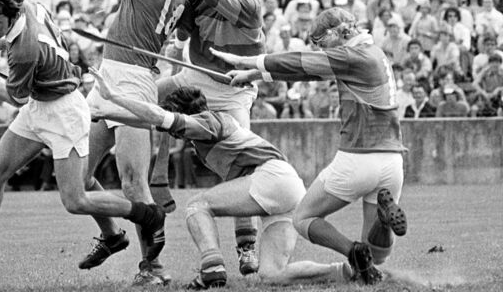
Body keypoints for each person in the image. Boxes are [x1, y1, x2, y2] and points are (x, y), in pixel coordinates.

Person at [0, 0, 165, 270]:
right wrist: (0, 42)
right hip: (41, 104)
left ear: (10, 15)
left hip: (63, 113)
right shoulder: (30, 5)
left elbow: (14, 96)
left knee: (75, 200)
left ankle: (148, 214)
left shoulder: (24, 52)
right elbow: (35, 49)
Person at [18, 0, 202, 283]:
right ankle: (112, 235)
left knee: (134, 182)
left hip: (130, 83)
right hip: (110, 79)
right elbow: (182, 29)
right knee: (80, 176)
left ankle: (153, 269)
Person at [90, 69, 353, 289]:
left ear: (184, 114)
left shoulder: (208, 122)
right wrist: (107, 113)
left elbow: (158, 117)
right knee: (272, 274)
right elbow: (149, 121)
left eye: (177, 125)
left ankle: (212, 267)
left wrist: (113, 97)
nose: (176, 136)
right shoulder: (206, 123)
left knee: (197, 206)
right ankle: (346, 272)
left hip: (272, 177)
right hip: (288, 188)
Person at [211, 7, 407, 285]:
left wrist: (249, 61)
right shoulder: (373, 54)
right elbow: (312, 72)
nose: (319, 49)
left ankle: (352, 250)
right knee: (376, 259)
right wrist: (253, 75)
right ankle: (383, 223)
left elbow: (301, 62)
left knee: (303, 218)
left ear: (335, 32)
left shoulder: (351, 56)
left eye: (320, 42)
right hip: (393, 162)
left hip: (358, 158)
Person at [138, 0, 265, 275]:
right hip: (193, 77)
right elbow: (179, 30)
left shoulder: (248, 4)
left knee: (241, 168)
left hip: (233, 91)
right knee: (144, 97)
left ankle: (246, 244)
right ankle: (159, 180)